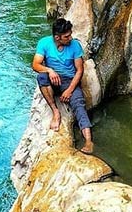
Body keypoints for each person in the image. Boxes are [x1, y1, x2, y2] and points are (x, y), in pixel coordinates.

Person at [32, 18, 94, 154]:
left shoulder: (75, 46)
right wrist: (50, 70)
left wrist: (70, 90)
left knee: (79, 105)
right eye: (67, 36)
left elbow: (80, 71)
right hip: (53, 78)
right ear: (57, 37)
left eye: (70, 34)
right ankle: (55, 111)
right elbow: (35, 65)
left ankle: (89, 141)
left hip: (69, 81)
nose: (70, 38)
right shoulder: (44, 43)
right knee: (41, 77)